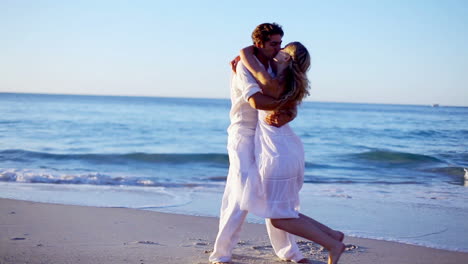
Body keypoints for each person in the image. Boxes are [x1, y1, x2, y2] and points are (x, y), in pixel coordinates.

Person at [239, 42, 346, 264]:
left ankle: (333, 245)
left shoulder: (277, 84)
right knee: (283, 211)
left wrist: (245, 53)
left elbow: (256, 79)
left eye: (280, 51)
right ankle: (333, 235)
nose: (274, 53)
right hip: (286, 150)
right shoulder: (289, 82)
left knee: (279, 218)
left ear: (287, 59)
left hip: (278, 154)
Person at [209, 23, 308, 264]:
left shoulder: (276, 66)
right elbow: (256, 101)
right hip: (242, 133)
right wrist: (284, 105)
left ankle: (289, 252)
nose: (279, 48)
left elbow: (288, 98)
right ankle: (221, 254)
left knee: (272, 190)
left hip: (266, 135)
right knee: (239, 189)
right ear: (259, 44)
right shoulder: (244, 65)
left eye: (280, 43)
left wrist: (289, 111)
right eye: (274, 43)